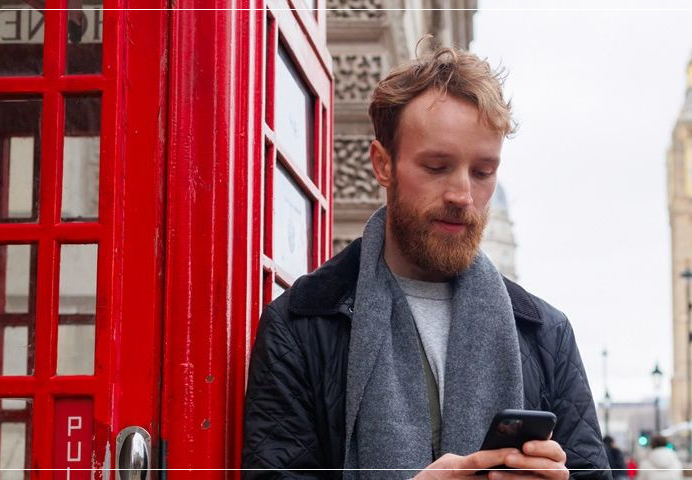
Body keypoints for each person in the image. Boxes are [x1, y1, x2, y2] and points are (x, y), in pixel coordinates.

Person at [241, 44, 610, 480]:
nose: (462, 195)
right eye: (437, 167)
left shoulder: (546, 333)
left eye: (482, 172)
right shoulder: (300, 326)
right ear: (383, 165)